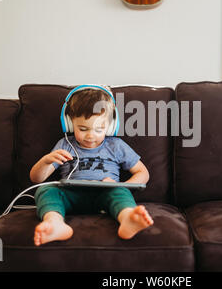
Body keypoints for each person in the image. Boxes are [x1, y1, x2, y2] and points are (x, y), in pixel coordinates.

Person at [30, 87, 153, 246]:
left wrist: (122, 185)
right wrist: (46, 161)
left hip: (105, 195)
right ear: (69, 123)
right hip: (71, 196)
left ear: (110, 126)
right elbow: (36, 178)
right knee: (45, 190)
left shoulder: (116, 146)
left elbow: (143, 173)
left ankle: (128, 218)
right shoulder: (65, 144)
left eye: (99, 129)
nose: (90, 135)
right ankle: (55, 223)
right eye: (83, 129)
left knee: (120, 191)